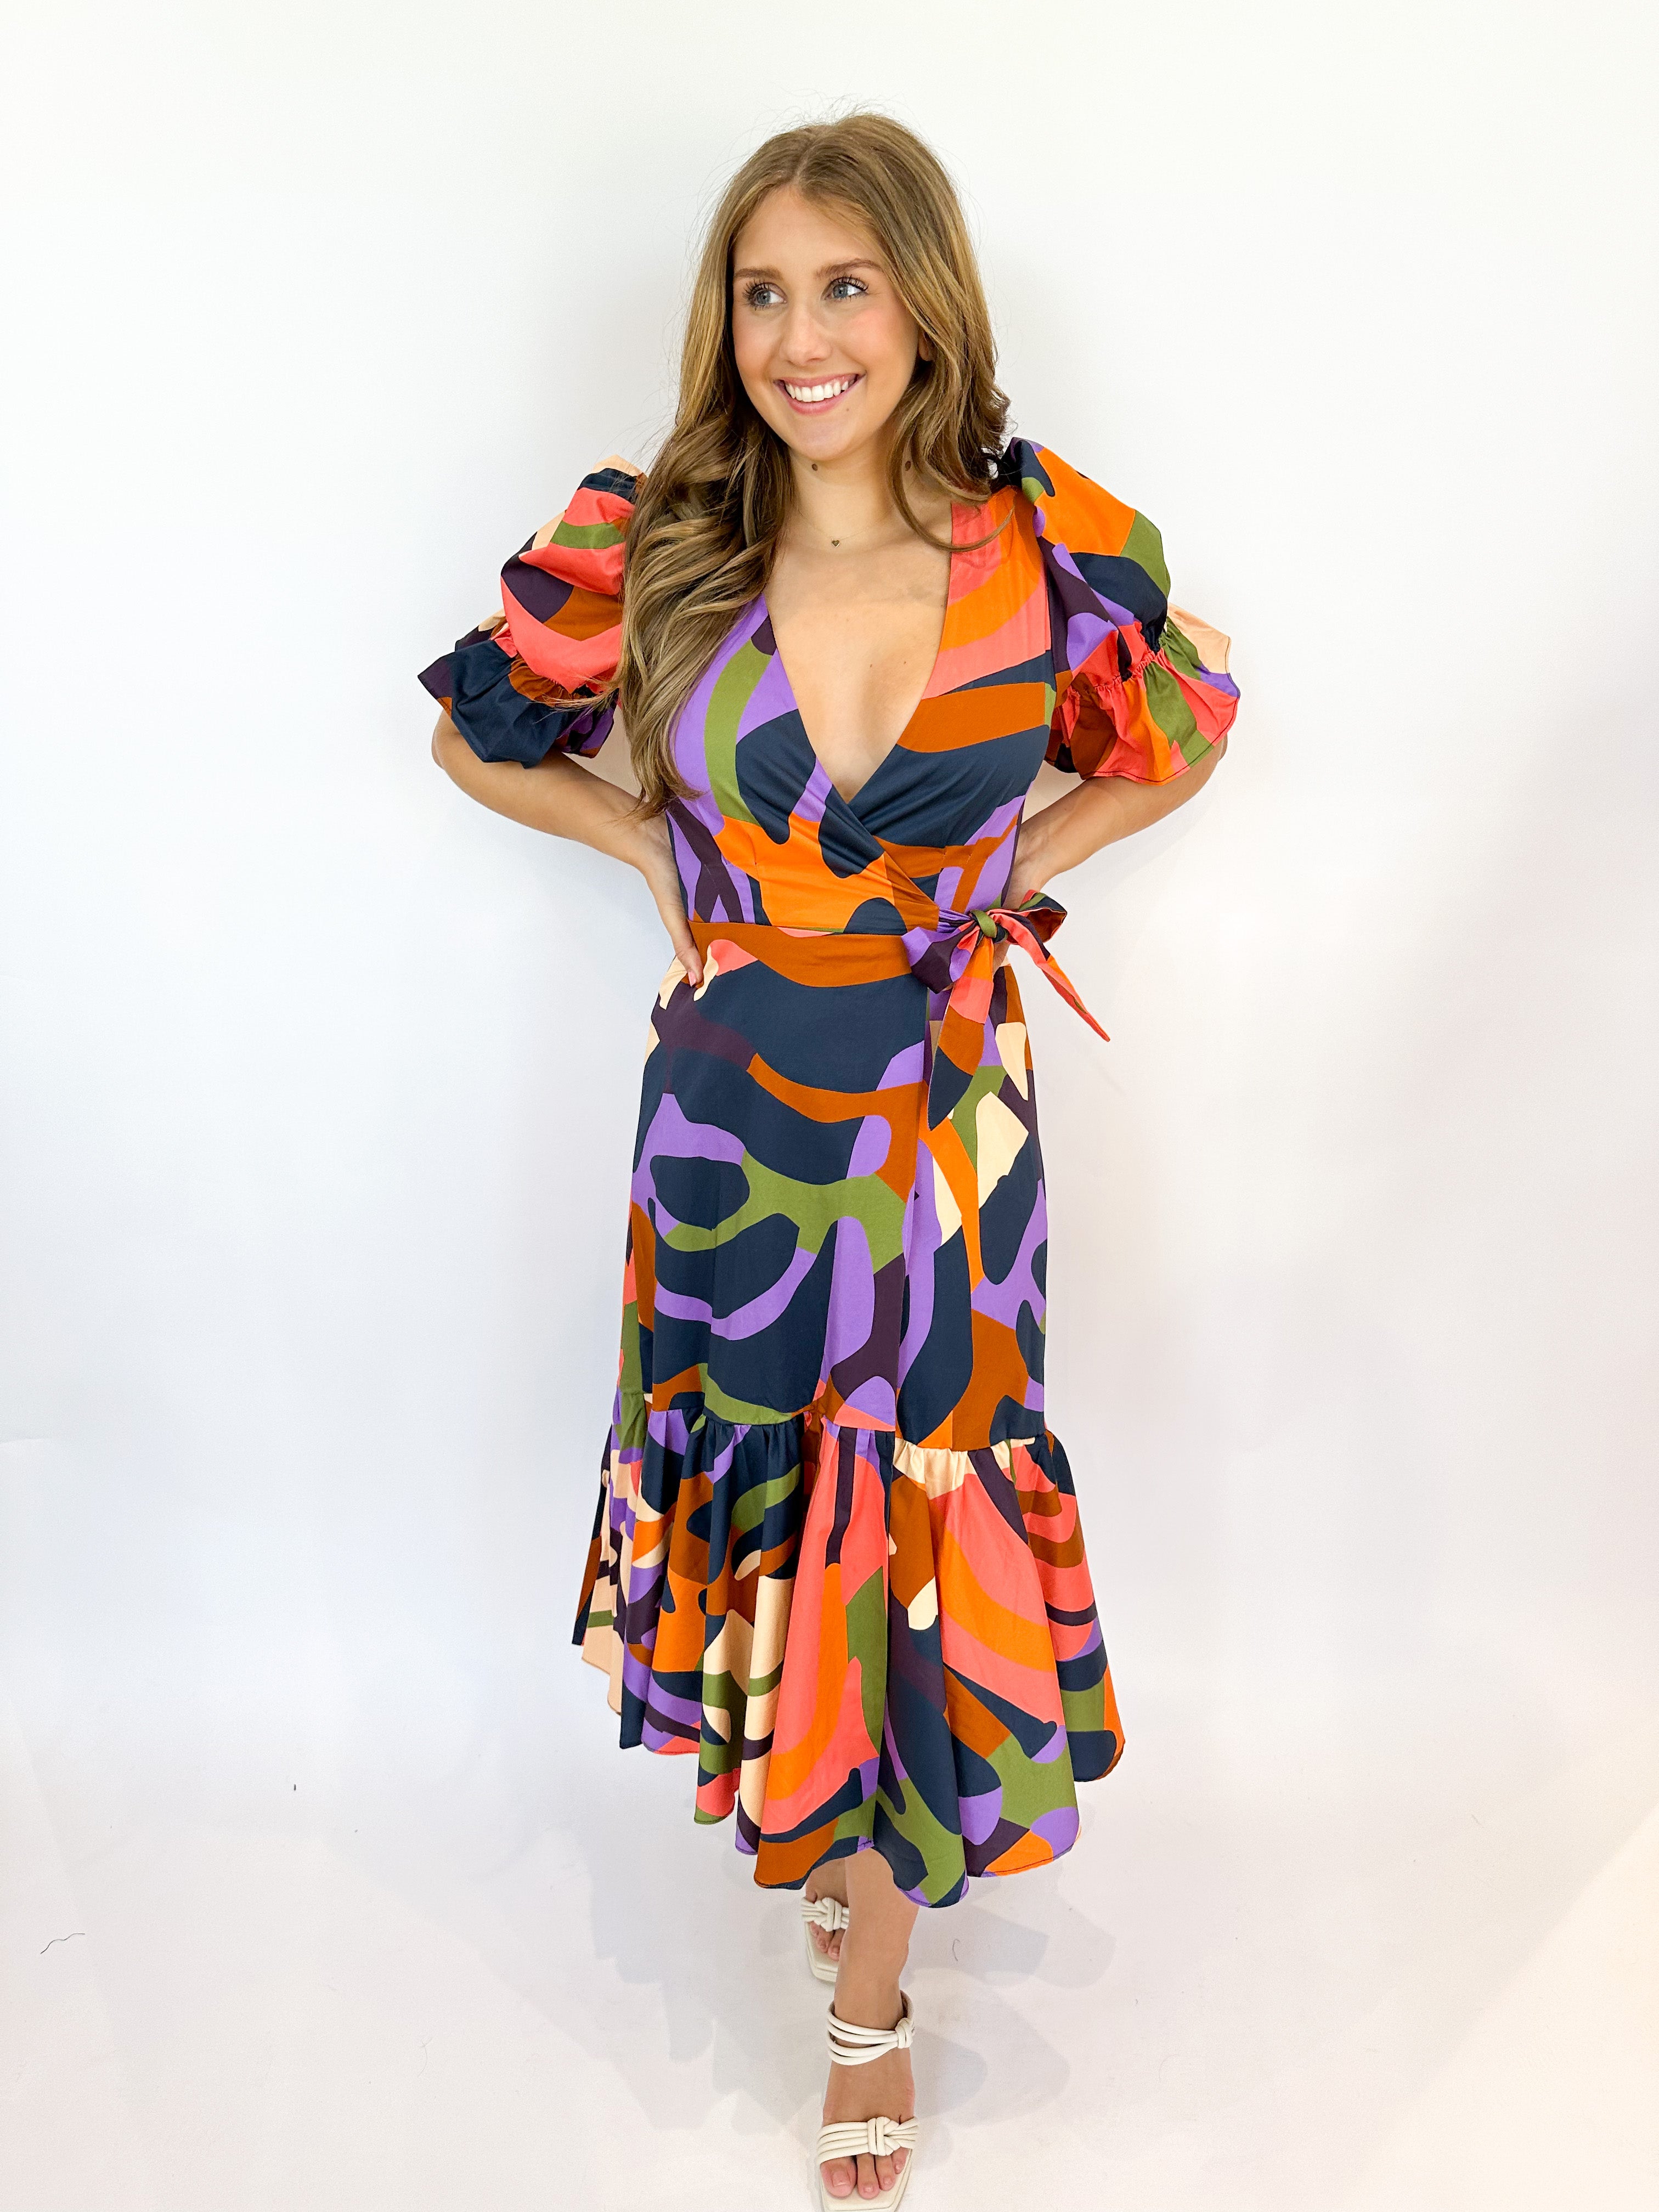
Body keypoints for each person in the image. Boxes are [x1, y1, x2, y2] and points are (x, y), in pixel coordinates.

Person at [421, 111, 1237, 2211]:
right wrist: (650, 851)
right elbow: (479, 734)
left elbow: (1183, 730)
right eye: (765, 292)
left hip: (949, 1125)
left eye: (845, 287)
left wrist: (1008, 876)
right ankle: (831, 1824)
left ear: (926, 304)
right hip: (731, 1124)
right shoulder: (663, 544)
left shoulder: (1043, 552)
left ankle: (872, 2004)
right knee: (788, 1486)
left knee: (921, 1506)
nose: (803, 338)